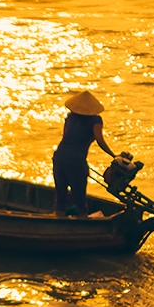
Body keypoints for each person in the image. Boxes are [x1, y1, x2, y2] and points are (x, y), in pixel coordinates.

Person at [52, 90, 117, 219]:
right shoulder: (95, 120)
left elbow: (67, 136)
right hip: (76, 160)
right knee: (80, 198)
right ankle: (83, 222)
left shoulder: (70, 117)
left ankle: (58, 221)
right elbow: (99, 139)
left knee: (60, 197)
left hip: (59, 156)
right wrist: (113, 155)